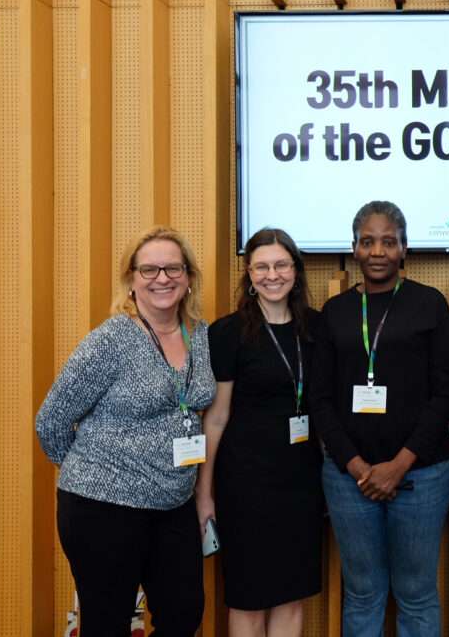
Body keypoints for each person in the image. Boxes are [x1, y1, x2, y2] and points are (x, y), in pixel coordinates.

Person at [36, 226, 217, 635]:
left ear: (189, 278)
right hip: (103, 508)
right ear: (132, 280)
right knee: (107, 623)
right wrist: (96, 474)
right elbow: (51, 421)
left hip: (173, 505)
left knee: (183, 614)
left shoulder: (202, 336)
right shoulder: (111, 340)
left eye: (173, 268)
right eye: (149, 270)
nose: (162, 279)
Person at [310, 201, 449, 637]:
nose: (378, 251)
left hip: (422, 476)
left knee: (416, 593)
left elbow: (445, 394)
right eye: (368, 241)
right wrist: (358, 468)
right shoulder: (335, 312)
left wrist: (399, 465)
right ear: (353, 249)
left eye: (388, 242)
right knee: (362, 592)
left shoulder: (430, 304)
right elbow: (319, 400)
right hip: (348, 479)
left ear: (404, 249)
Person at [196, 228, 323, 636]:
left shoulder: (316, 329)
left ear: (296, 271)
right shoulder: (228, 333)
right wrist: (204, 494)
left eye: (281, 264)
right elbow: (215, 419)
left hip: (302, 483)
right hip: (245, 487)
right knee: (248, 598)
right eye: (262, 266)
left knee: (291, 595)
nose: (273, 274)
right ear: (248, 274)